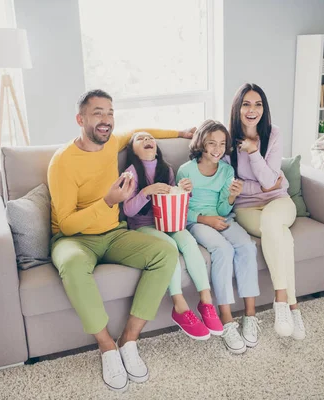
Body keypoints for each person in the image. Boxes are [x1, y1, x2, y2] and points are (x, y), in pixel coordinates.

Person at [48, 89, 193, 392]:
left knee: (165, 252)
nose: (106, 119)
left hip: (113, 234)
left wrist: (180, 132)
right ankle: (107, 347)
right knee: (73, 266)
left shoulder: (113, 142)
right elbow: (67, 223)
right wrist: (107, 201)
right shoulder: (62, 162)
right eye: (97, 112)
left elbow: (146, 131)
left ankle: (129, 340)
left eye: (110, 112)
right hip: (74, 239)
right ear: (80, 119)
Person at [122, 131, 223, 341]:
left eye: (150, 138)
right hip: (143, 226)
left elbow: (174, 201)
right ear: (132, 150)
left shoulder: (165, 169)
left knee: (187, 240)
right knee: (169, 246)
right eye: (140, 139)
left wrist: (185, 191)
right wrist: (145, 192)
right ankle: (179, 305)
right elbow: (128, 211)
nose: (147, 140)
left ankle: (206, 302)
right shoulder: (131, 173)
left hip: (167, 222)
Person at [227, 83, 306, 340]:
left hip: (279, 202)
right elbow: (247, 185)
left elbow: (271, 181)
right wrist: (265, 183)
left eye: (258, 104)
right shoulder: (227, 140)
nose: (252, 110)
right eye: (246, 104)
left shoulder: (273, 134)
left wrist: (253, 153)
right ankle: (293, 309)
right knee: (283, 237)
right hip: (247, 209)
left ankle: (280, 299)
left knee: (273, 222)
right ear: (238, 108)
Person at [176, 119, 260, 354]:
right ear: (201, 144)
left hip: (222, 218)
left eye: (222, 144)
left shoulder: (226, 170)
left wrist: (231, 198)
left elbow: (223, 210)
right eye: (211, 143)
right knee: (223, 250)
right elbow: (180, 211)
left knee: (246, 245)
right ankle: (226, 318)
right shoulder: (186, 170)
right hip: (196, 221)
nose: (217, 149)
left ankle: (250, 315)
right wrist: (204, 218)